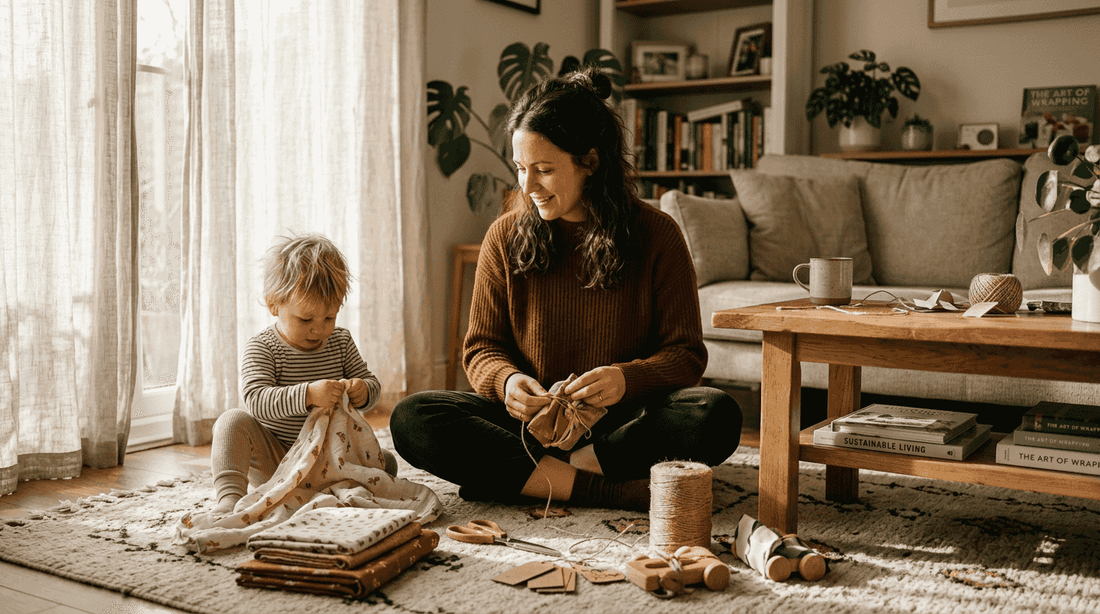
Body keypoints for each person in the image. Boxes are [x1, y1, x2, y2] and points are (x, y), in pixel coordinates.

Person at [391, 68, 741, 511]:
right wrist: (509, 382)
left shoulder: (658, 235)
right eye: (521, 169)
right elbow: (481, 349)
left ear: (590, 162)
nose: (528, 186)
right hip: (528, 427)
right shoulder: (504, 237)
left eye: (544, 170)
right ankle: (608, 490)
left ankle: (528, 477)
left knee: (715, 414)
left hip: (622, 427)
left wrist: (623, 379)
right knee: (413, 418)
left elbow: (686, 355)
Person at [208, 233, 394, 514]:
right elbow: (257, 400)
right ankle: (230, 498)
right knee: (231, 422)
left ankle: (333, 490)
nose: (319, 329)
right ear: (274, 304)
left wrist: (363, 390)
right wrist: (308, 395)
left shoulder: (341, 342)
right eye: (305, 319)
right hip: (280, 461)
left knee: (386, 462)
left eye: (329, 318)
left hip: (332, 460)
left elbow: (371, 385)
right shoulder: (263, 348)